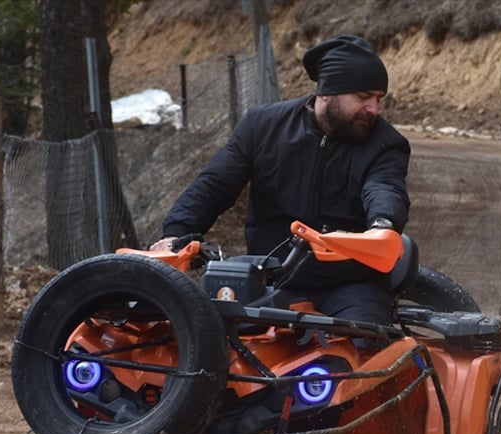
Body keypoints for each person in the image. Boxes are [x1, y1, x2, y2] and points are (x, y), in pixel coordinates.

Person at [157, 34, 411, 325]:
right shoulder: (262, 126)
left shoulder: (387, 144)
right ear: (326, 92)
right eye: (363, 97)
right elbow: (215, 183)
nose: (374, 109)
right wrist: (176, 234)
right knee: (204, 339)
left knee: (359, 356)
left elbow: (385, 187)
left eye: (378, 99)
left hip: (351, 285)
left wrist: (381, 227)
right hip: (268, 278)